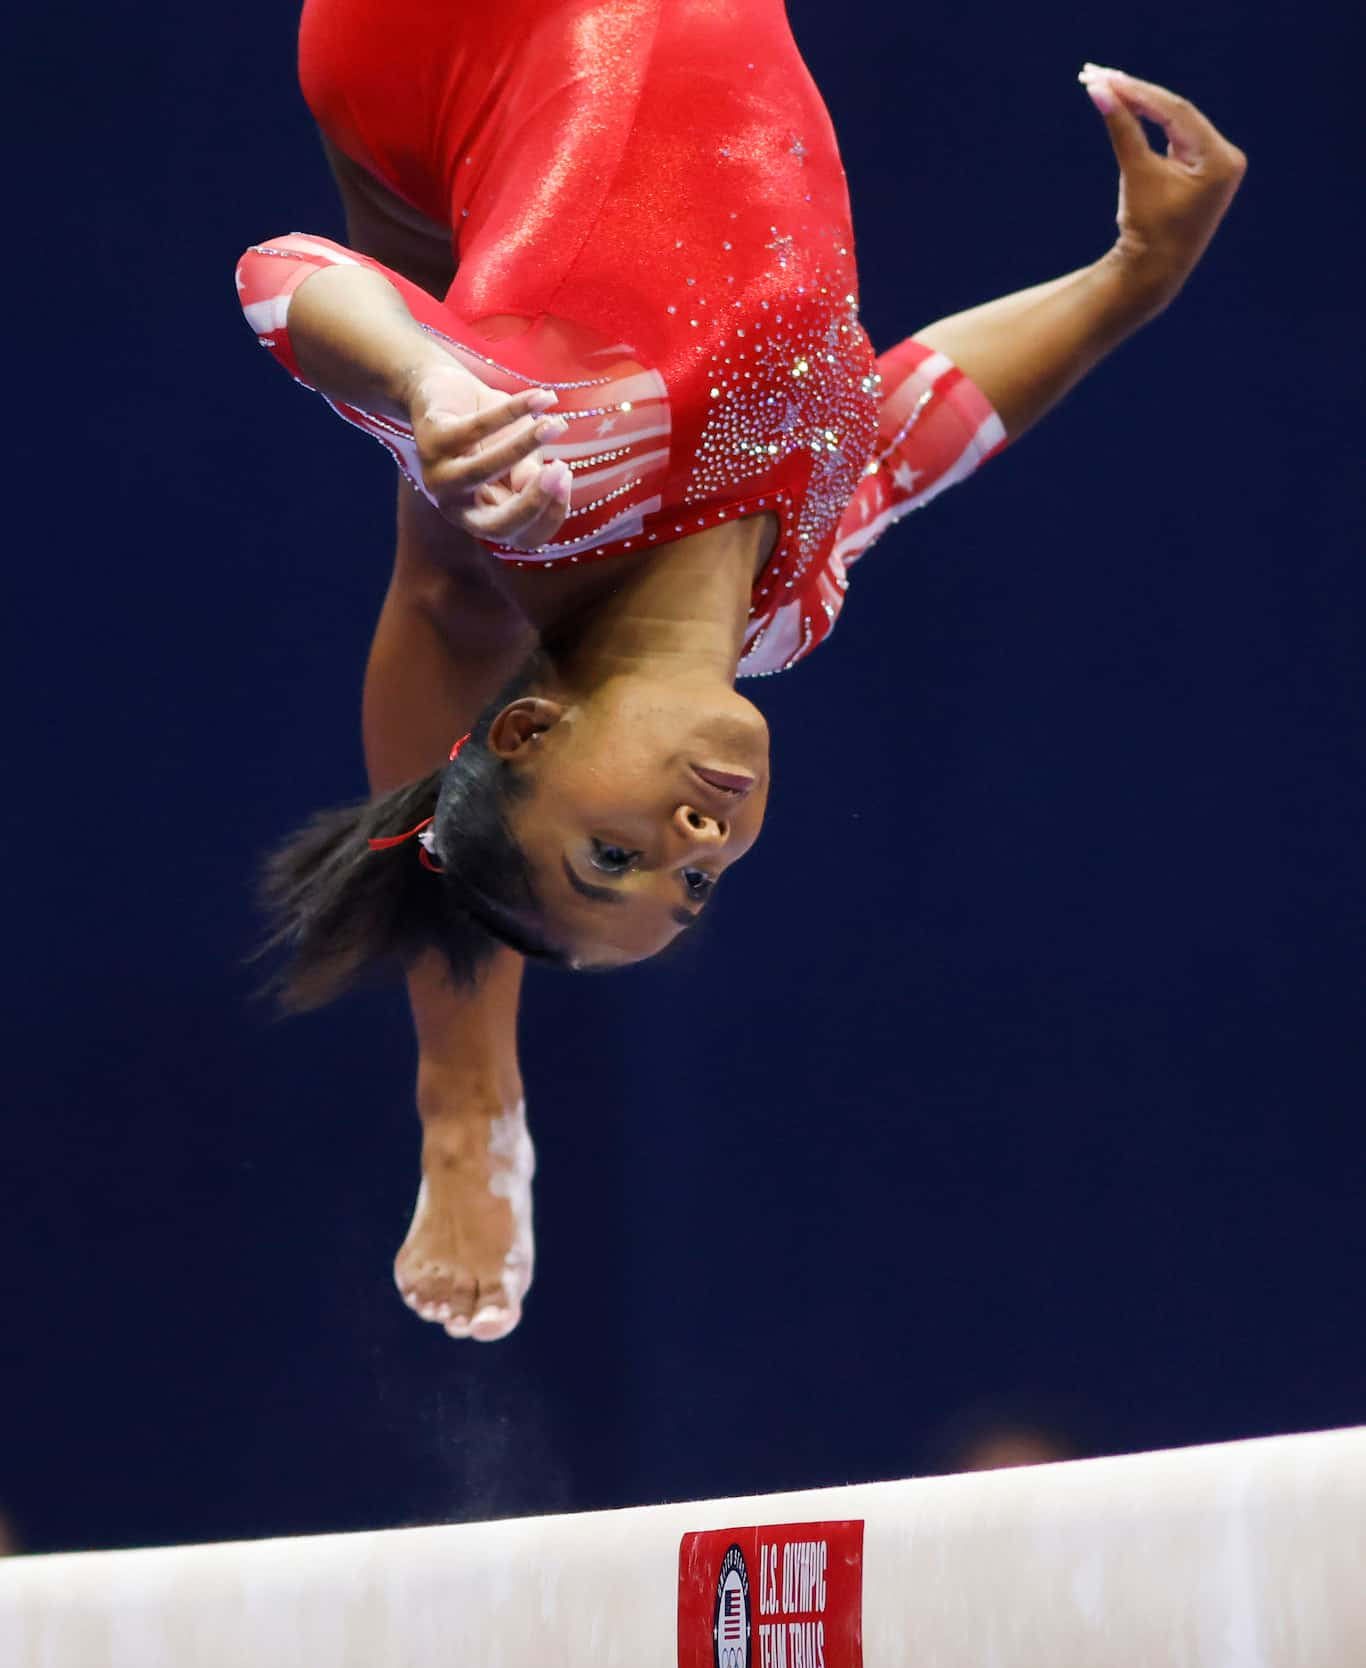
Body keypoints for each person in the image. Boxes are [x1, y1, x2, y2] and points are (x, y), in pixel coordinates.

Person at [235, 5, 1247, 1342]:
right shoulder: (793, 606)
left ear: (530, 731)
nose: (695, 843)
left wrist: (425, 382)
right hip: (476, 127)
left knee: (458, 542)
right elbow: (913, 424)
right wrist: (1129, 278)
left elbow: (277, 275)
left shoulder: (564, 467)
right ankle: (467, 1086)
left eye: (616, 855)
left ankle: (466, 1091)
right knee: (445, 568)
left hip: (438, 39)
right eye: (695, 885)